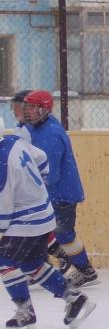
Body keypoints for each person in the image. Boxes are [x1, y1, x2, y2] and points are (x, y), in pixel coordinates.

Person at [0, 134, 96, 329]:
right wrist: (33, 188)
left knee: (5, 262)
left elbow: (4, 208)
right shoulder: (13, 141)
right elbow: (42, 158)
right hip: (44, 211)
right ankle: (75, 298)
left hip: (25, 220)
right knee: (31, 264)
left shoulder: (1, 166)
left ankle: (25, 315)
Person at [22, 90, 98, 287]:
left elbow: (50, 173)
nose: (28, 111)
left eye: (32, 107)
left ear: (44, 109)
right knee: (38, 232)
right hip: (50, 194)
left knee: (63, 234)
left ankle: (85, 271)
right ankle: (43, 267)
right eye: (27, 106)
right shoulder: (36, 128)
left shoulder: (51, 134)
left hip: (61, 194)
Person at [8, 90, 73, 277]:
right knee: (36, 230)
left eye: (19, 107)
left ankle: (59, 264)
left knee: (38, 230)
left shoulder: (34, 131)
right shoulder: (23, 129)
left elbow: (41, 164)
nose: (16, 111)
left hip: (35, 192)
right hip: (28, 190)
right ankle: (43, 265)